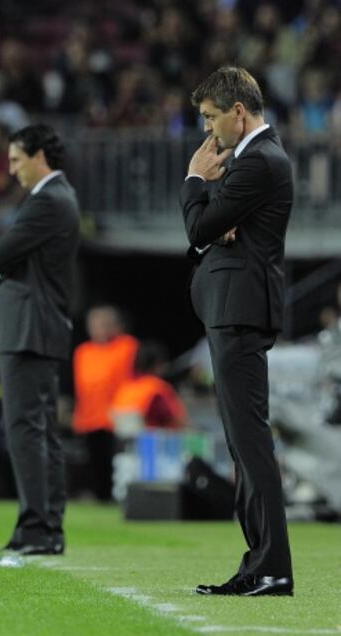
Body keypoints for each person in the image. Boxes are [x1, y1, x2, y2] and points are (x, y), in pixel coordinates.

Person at [180, 66, 293, 596]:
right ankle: (258, 565)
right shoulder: (252, 164)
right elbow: (211, 231)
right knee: (243, 447)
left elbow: (199, 228)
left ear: (238, 112)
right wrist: (214, 214)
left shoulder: (260, 162)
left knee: (250, 445)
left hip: (241, 311)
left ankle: (272, 568)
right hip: (234, 309)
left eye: (210, 118)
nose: (209, 133)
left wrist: (196, 181)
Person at [0, 123, 80, 555]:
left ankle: (38, 526)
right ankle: (45, 526)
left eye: (18, 160)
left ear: (40, 156)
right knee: (40, 429)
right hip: (38, 325)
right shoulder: (59, 199)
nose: (12, 169)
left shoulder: (49, 201)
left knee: (26, 428)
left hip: (28, 328)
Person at [72, 305, 139, 501]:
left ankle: (121, 496)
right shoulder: (83, 352)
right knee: (95, 462)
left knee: (119, 461)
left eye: (103, 324)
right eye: (94, 325)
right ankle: (101, 496)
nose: (98, 329)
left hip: (120, 417)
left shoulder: (128, 346)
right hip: (90, 417)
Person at [111, 340, 187, 431]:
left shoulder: (126, 388)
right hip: (151, 440)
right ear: (158, 364)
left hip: (125, 442)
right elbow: (177, 421)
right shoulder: (157, 388)